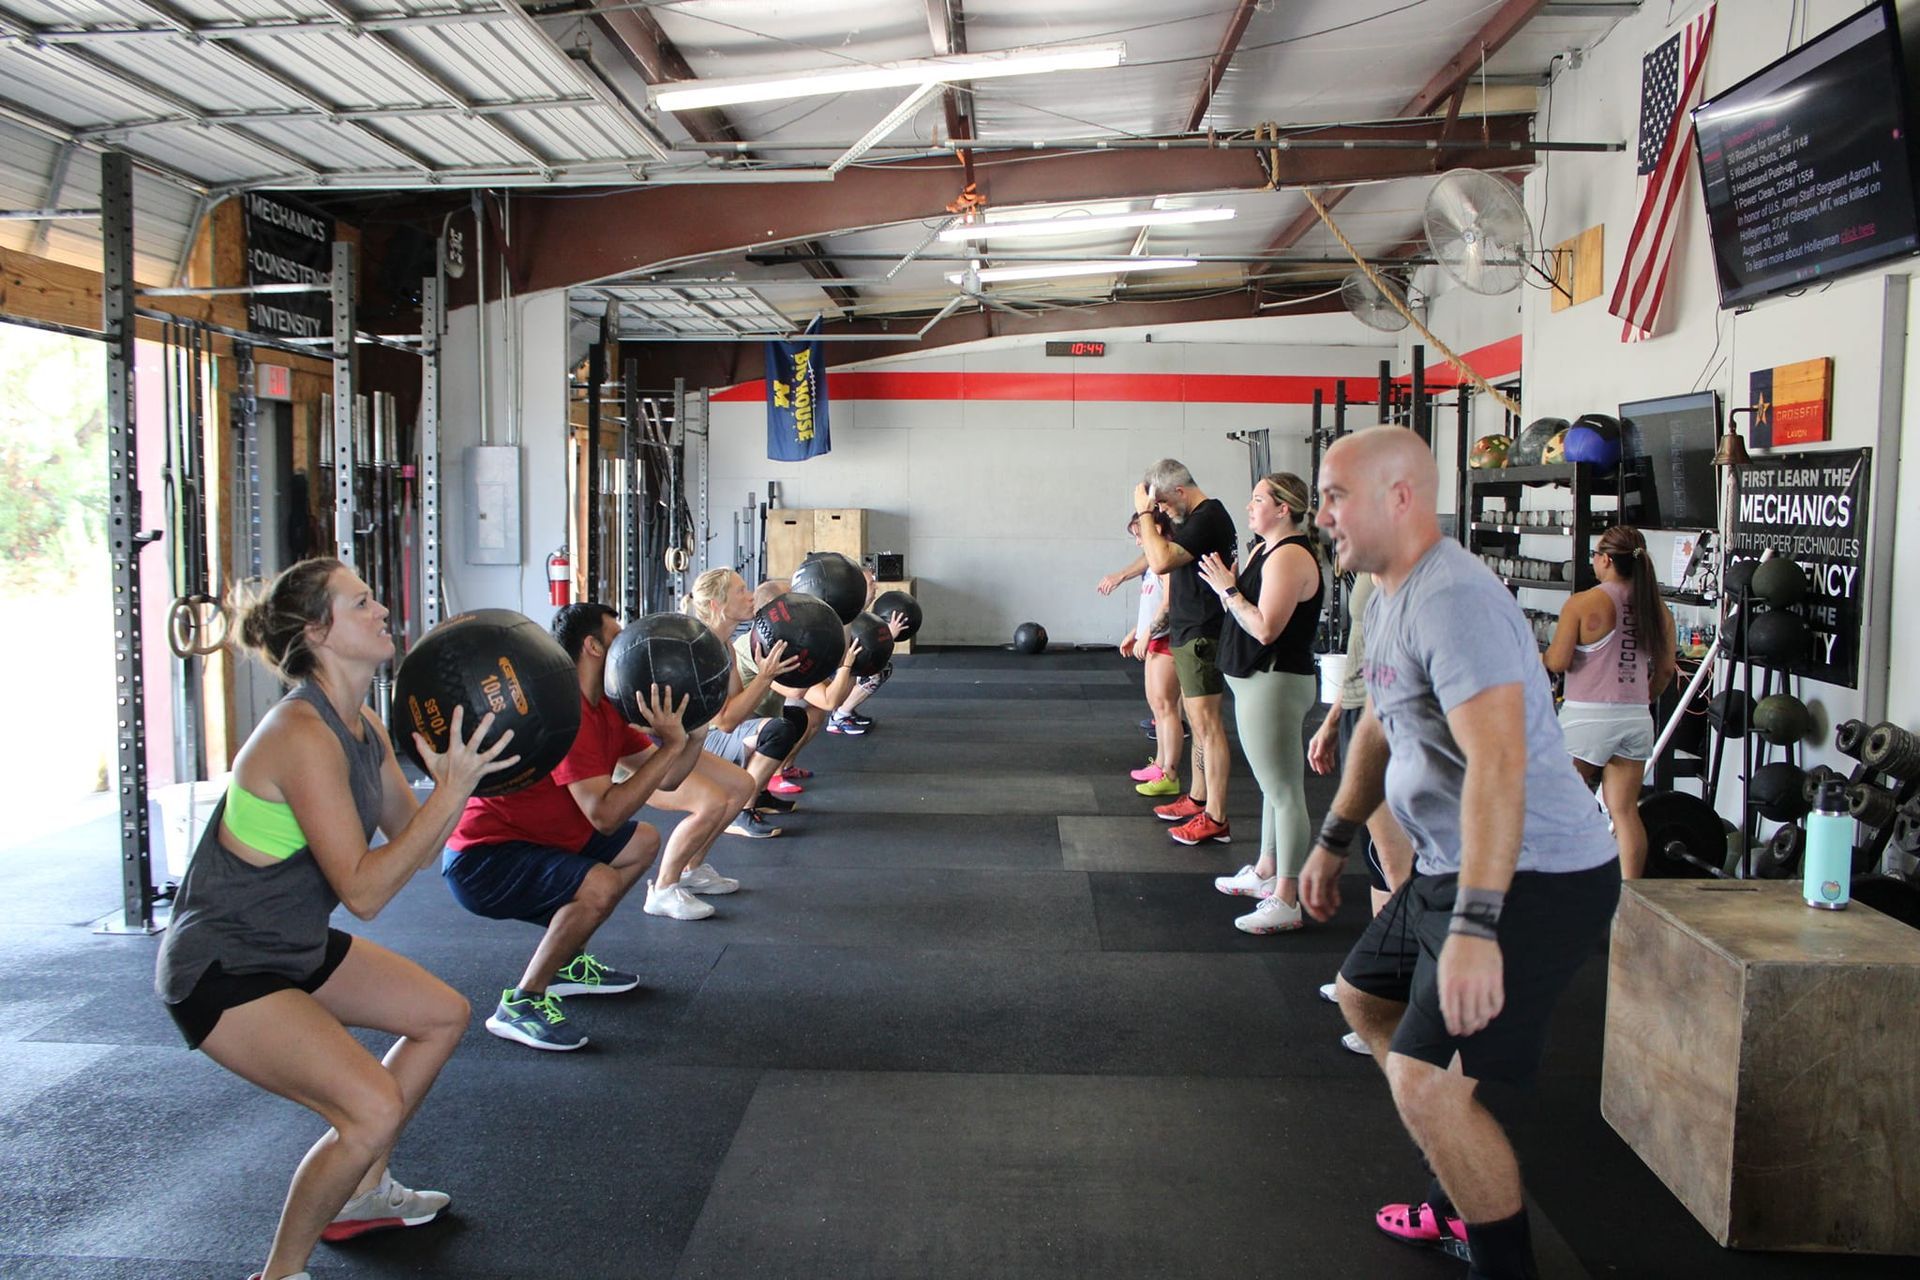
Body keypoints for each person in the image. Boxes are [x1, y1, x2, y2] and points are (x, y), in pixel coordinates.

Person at [1301, 427, 1621, 1280]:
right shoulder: (1390, 594)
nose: (1321, 513)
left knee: (1427, 1083)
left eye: (1336, 495)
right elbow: (1379, 723)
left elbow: (1500, 762)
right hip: (1450, 865)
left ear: (1400, 497)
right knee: (1364, 997)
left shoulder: (1453, 599)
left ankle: (1497, 1258)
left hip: (1534, 876)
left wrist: (1479, 925)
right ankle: (1457, 1178)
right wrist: (1334, 837)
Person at [154, 558, 519, 1280]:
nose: (381, 608)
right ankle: (279, 1273)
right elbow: (364, 892)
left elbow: (414, 848)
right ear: (319, 631)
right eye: (361, 602)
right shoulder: (300, 735)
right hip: (222, 965)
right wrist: (451, 792)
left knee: (441, 1015)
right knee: (371, 1109)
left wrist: (478, 781)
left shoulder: (364, 728)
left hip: (288, 943)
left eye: (375, 595)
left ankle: (362, 1194)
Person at [443, 602, 711, 1050]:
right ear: (592, 645)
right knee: (599, 884)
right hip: (483, 858)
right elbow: (604, 815)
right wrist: (670, 748)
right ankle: (522, 1002)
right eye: (616, 635)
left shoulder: (604, 707)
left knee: (642, 841)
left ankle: (565, 962)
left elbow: (667, 777)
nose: (627, 644)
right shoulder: (563, 711)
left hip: (537, 839)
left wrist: (691, 735)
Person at [1197, 472, 1324, 932]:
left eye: (1257, 499)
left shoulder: (1289, 557)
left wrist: (1227, 590)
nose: (1249, 507)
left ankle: (1287, 899)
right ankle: (1268, 871)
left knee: (1285, 792)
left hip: (1274, 683)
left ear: (1283, 508)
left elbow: (1266, 628)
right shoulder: (1264, 550)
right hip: (1256, 682)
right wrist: (1228, 586)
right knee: (1275, 788)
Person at [1306, 565, 1416, 1053]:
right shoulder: (1371, 571)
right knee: (1377, 861)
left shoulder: (1402, 572)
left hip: (1387, 721)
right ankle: (1378, 980)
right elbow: (1359, 656)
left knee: (1400, 870)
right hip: (1358, 710)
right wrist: (1334, 719)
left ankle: (1412, 1008)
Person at [1544, 524, 1677, 879]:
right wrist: (1638, 699)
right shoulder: (1659, 611)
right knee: (1624, 811)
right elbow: (1665, 672)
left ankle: (1560, 888)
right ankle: (1630, 900)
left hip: (1587, 717)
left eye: (1595, 556)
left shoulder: (1583, 603)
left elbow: (1557, 662)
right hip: (1636, 718)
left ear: (1605, 559)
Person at [1133, 459, 1239, 845]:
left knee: (1208, 727)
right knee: (1199, 726)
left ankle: (1217, 817)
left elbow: (1160, 560)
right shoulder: (1195, 520)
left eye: (1161, 503)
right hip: (1188, 630)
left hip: (1202, 634)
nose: (1160, 511)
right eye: (1155, 507)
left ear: (1179, 491)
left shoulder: (1209, 517)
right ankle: (1198, 799)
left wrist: (1145, 511)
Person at [685, 568, 807, 829]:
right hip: (696, 744)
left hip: (717, 733)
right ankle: (741, 812)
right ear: (717, 604)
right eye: (741, 591)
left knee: (793, 718)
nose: (751, 596)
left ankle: (759, 794)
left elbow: (738, 702)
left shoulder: (725, 645)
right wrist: (765, 676)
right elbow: (726, 721)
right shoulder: (702, 649)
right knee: (778, 731)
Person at [1111, 511, 1181, 796]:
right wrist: (1135, 632)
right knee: (1157, 707)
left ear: (1158, 529)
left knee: (1167, 708)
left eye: (1141, 534)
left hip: (1167, 641)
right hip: (1153, 639)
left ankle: (1170, 773)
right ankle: (1161, 763)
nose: (1139, 542)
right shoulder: (1154, 565)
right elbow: (1150, 605)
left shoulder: (1169, 563)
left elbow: (1168, 604)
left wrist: (1149, 633)